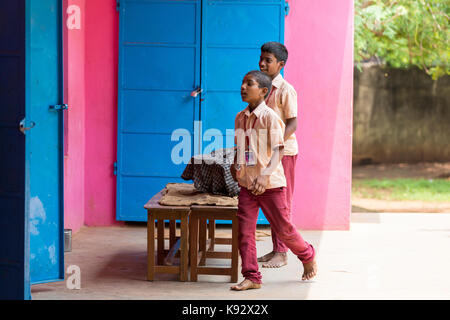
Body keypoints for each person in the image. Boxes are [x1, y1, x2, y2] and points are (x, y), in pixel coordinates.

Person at [230, 70, 316, 291]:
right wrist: (237, 164)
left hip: (271, 185)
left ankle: (307, 255)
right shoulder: (240, 117)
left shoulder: (270, 118)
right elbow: (242, 147)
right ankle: (252, 277)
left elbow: (279, 150)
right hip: (248, 184)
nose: (243, 87)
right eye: (242, 82)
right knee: (245, 231)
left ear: (263, 91)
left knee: (284, 229)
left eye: (249, 84)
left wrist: (264, 175)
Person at [257, 42, 299, 268]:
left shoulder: (285, 90)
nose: (262, 63)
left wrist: (277, 142)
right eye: (261, 58)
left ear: (280, 65)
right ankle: (276, 250)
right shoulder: (261, 87)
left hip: (284, 153)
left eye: (268, 60)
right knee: (272, 203)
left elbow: (293, 122)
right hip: (266, 153)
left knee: (282, 203)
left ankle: (282, 253)